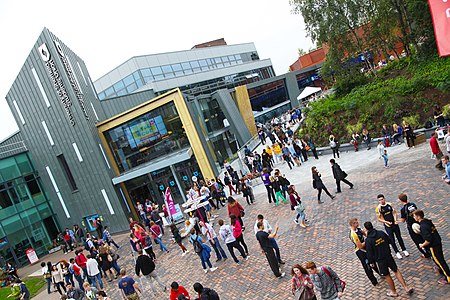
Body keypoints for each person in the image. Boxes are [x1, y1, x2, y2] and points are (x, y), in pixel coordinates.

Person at [364, 221, 414, 297]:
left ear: (366, 229)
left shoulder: (368, 240)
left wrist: (371, 262)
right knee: (396, 270)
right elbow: (389, 240)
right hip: (388, 255)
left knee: (387, 275)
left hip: (380, 260)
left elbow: (369, 253)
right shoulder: (381, 233)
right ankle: (406, 288)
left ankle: (393, 292)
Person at [413, 210, 450, 285]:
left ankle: (448, 277)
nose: (414, 217)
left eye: (414, 216)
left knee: (440, 261)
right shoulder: (427, 221)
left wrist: (422, 245)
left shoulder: (423, 226)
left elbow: (428, 240)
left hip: (434, 246)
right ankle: (440, 269)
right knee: (439, 258)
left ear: (418, 216)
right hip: (438, 241)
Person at [397, 193, 431, 258]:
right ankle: (428, 249)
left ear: (400, 200)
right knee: (423, 237)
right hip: (418, 223)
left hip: (412, 227)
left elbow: (403, 220)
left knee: (417, 241)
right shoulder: (413, 204)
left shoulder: (403, 209)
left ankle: (425, 253)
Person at [375, 194, 409, 259]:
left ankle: (404, 249)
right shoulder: (378, 208)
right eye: (379, 200)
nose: (381, 201)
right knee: (392, 239)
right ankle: (397, 252)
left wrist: (395, 220)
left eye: (382, 199)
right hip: (388, 226)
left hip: (395, 224)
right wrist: (386, 222)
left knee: (399, 237)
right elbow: (379, 219)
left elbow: (394, 213)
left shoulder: (389, 204)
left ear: (384, 199)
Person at [348, 218, 379, 286]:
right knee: (367, 266)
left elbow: (365, 234)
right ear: (353, 224)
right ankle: (374, 281)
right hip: (360, 251)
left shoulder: (358, 228)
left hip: (366, 247)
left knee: (373, 261)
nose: (358, 223)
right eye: (356, 222)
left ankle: (380, 273)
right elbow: (360, 246)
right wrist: (367, 240)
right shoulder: (353, 234)